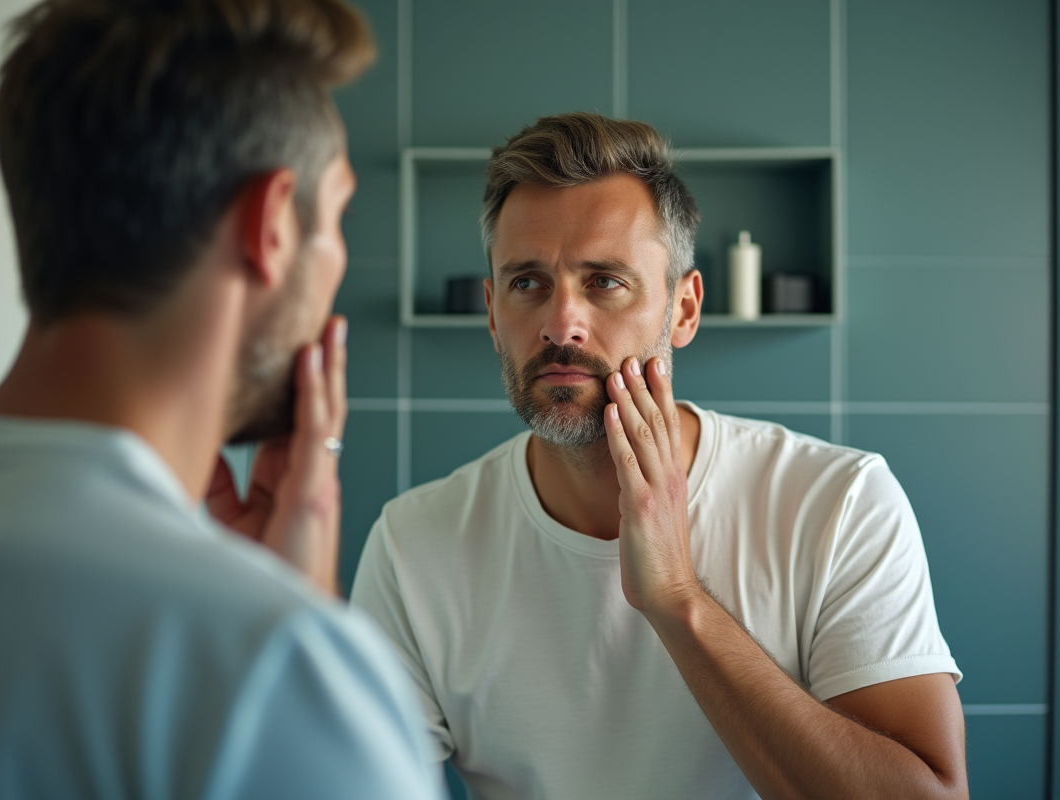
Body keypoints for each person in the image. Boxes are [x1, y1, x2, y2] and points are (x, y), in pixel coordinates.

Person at [0, 1, 444, 798]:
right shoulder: (272, 670)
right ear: (272, 225)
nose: (338, 255)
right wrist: (295, 643)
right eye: (337, 212)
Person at [352, 112, 967, 800]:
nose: (561, 324)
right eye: (528, 283)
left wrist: (678, 600)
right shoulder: (412, 546)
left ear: (684, 309)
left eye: (605, 281)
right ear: (494, 314)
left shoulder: (838, 503)